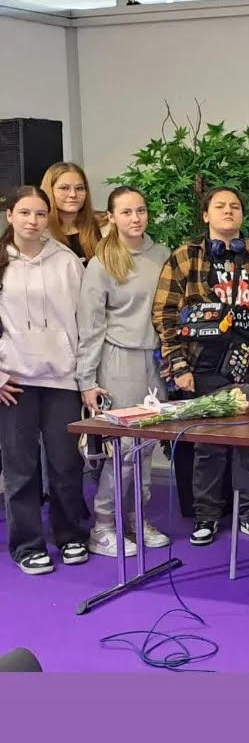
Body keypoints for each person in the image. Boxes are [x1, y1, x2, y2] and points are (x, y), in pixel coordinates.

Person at [152, 186, 249, 547]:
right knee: (208, 445)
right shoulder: (184, 257)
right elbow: (165, 313)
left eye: (234, 206)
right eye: (220, 206)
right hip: (204, 364)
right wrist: (178, 363)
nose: (228, 211)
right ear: (206, 215)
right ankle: (207, 515)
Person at [0, 185, 91, 574]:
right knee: (20, 470)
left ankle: (70, 536)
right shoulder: (1, 261)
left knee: (66, 465)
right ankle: (27, 545)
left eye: (40, 214)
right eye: (24, 213)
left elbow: (85, 322)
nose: (33, 221)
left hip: (62, 380)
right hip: (13, 382)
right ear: (10, 216)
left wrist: (84, 375)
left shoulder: (67, 261)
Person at [76, 186, 171, 557]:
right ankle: (103, 526)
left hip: (156, 362)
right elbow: (90, 325)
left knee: (146, 447)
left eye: (141, 210)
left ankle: (136, 517)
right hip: (118, 361)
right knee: (124, 449)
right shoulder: (102, 263)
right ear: (112, 217)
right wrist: (87, 379)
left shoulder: (162, 255)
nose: (136, 218)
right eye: (127, 212)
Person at [41, 161, 102, 264]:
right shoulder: (40, 233)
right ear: (50, 191)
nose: (73, 194)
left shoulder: (103, 227)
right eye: (64, 188)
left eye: (79, 188)